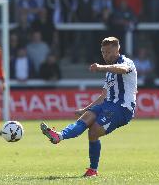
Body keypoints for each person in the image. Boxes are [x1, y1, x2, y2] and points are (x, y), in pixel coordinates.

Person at [40, 37, 137, 177]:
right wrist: (85, 109)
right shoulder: (110, 72)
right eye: (103, 52)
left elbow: (123, 69)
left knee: (93, 131)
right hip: (107, 104)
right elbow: (103, 95)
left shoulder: (126, 62)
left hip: (122, 109)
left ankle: (93, 169)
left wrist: (101, 67)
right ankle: (58, 136)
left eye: (108, 52)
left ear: (117, 50)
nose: (105, 55)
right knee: (84, 119)